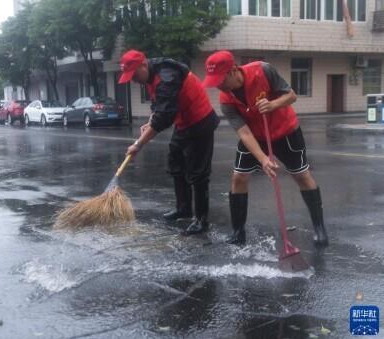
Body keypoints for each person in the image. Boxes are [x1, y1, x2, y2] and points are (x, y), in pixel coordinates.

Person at [202, 50, 328, 247]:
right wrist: (262, 159)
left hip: (285, 131)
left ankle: (319, 228)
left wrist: (273, 104)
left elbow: (291, 96)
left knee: (302, 176)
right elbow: (244, 133)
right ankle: (238, 231)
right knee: (239, 177)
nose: (218, 85)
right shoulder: (226, 100)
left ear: (233, 70)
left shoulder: (263, 70)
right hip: (254, 135)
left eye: (220, 79)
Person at [119, 49, 220, 236]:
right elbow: (159, 106)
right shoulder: (151, 74)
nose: (133, 80)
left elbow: (164, 118)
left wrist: (138, 144)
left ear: (143, 65)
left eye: (133, 75)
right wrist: (150, 121)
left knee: (198, 173)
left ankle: (201, 220)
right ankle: (183, 209)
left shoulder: (166, 77)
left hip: (201, 121)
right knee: (176, 161)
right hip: (184, 123)